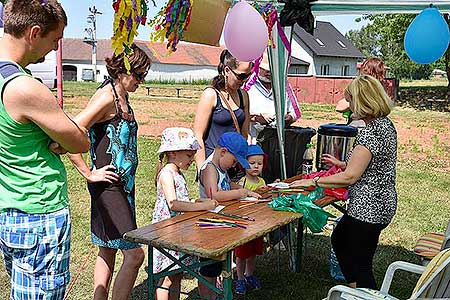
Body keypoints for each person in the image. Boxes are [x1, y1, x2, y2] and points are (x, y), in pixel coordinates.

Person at [0, 1, 90, 299]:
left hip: (9, 210)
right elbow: (80, 142)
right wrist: (66, 137)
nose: (54, 50)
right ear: (34, 33)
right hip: (39, 215)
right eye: (54, 40)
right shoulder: (24, 87)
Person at [290, 75, 397, 289]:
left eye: (350, 100)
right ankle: (355, 289)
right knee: (343, 241)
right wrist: (341, 162)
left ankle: (362, 291)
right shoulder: (385, 125)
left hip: (368, 207)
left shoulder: (370, 134)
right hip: (382, 203)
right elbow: (370, 162)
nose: (348, 105)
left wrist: (314, 183)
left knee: (359, 260)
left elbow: (350, 176)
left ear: (363, 101)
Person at [67, 43, 152, 300]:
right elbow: (72, 130)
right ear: (121, 70)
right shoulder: (107, 96)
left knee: (108, 248)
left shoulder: (122, 95)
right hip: (108, 187)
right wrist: (88, 172)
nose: (140, 81)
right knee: (135, 254)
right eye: (137, 75)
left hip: (124, 186)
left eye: (143, 76)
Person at [153, 127, 219, 300]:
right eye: (189, 155)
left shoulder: (178, 173)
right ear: (174, 153)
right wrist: (202, 208)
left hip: (179, 232)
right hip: (167, 232)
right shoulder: (167, 174)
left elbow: (181, 200)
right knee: (166, 278)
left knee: (177, 273)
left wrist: (198, 202)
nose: (192, 159)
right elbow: (173, 204)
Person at [198, 132, 260, 300]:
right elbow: (215, 195)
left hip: (220, 222)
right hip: (208, 224)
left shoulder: (221, 167)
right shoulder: (209, 168)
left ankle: (215, 294)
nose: (234, 166)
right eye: (234, 161)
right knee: (208, 266)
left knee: (217, 264)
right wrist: (240, 192)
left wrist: (237, 186)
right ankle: (207, 296)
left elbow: (226, 183)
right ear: (223, 152)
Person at [193, 49, 252, 170]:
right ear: (226, 70)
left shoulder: (244, 96)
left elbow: (245, 134)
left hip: (236, 166)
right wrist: (202, 169)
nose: (244, 80)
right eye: (241, 76)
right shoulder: (211, 95)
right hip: (214, 166)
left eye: (248, 75)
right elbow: (198, 135)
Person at [247, 51, 300, 144]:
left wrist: (289, 118)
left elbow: (295, 111)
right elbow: (237, 113)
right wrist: (255, 117)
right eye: (266, 70)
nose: (269, 73)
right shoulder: (248, 86)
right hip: (252, 141)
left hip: (277, 142)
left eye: (273, 69)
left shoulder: (284, 86)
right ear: (258, 67)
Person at [234, 145, 266, 295]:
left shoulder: (262, 182)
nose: (256, 166)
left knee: (253, 252)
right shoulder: (242, 183)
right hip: (244, 224)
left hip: (257, 223)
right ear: (244, 164)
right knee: (241, 254)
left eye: (259, 163)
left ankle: (249, 275)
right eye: (252, 163)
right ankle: (239, 278)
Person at [336, 57, 386, 128]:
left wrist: (355, 102)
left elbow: (340, 107)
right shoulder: (380, 90)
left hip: (361, 127)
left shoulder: (363, 87)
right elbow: (340, 106)